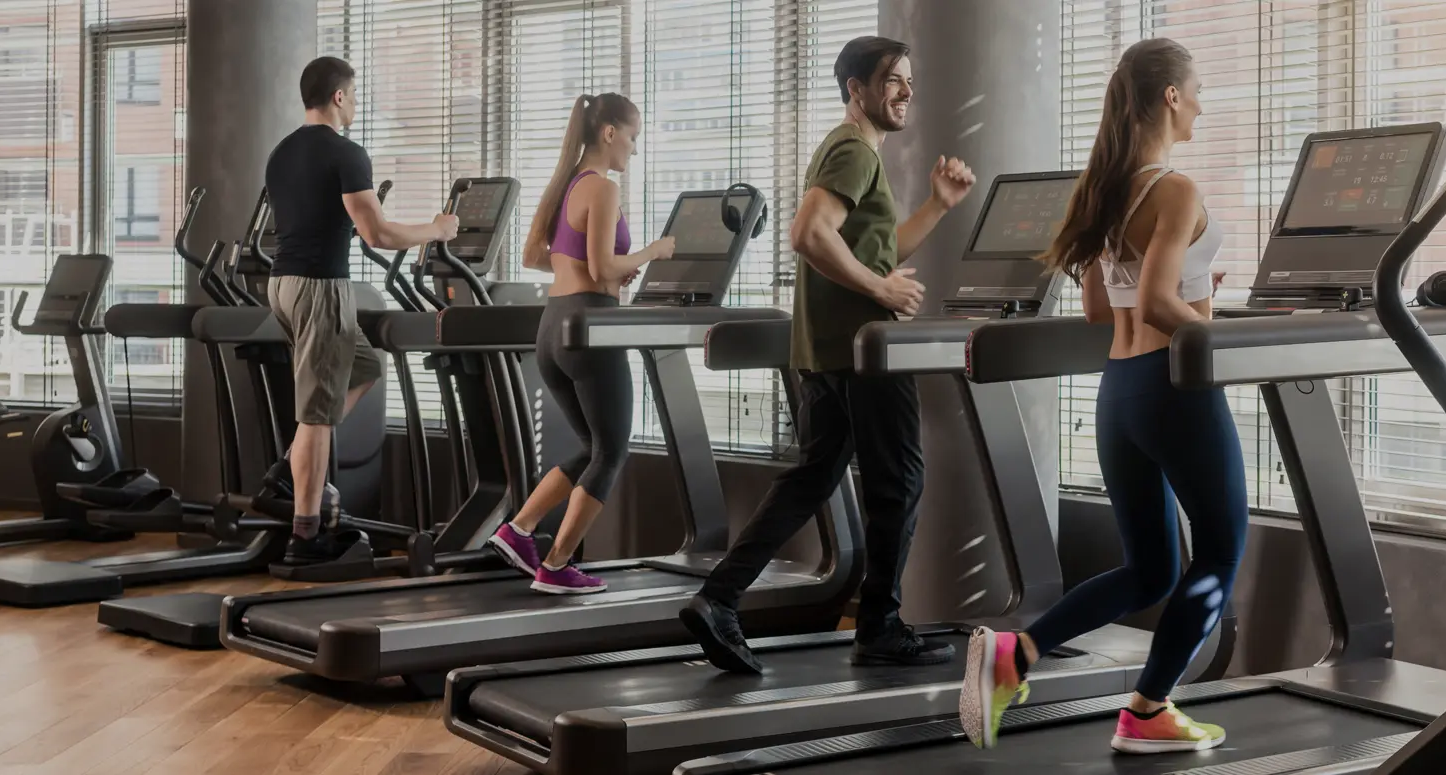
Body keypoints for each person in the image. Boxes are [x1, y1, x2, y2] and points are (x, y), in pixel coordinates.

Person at [960, 38, 1244, 755]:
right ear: (1172, 96)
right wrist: (1227, 337)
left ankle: (1016, 653)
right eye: (1198, 90)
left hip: (1119, 392)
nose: (1203, 105)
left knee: (1149, 568)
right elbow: (1154, 301)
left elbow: (1099, 307)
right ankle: (1148, 709)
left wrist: (1197, 296)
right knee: (1218, 554)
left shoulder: (1106, 188)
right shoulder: (1174, 189)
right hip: (1173, 389)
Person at [675, 36, 976, 672]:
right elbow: (809, 234)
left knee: (812, 478)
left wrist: (936, 208)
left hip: (828, 353)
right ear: (856, 89)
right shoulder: (852, 149)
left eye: (908, 80)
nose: (905, 91)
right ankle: (880, 625)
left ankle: (719, 598)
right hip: (865, 354)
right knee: (900, 483)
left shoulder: (852, 153)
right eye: (892, 79)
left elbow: (874, 247)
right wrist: (879, 289)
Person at [264, 56, 457, 564]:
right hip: (320, 287)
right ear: (340, 97)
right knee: (317, 413)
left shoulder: (281, 153)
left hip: (281, 284)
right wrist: (436, 230)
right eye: (355, 94)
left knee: (364, 366)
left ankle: (290, 469)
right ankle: (306, 537)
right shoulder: (347, 153)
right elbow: (379, 232)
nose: (356, 104)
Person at [484, 93, 676, 594]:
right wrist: (651, 252)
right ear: (609, 133)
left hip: (553, 327)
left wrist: (601, 274)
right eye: (632, 136)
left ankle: (518, 528)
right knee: (612, 452)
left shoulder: (565, 184)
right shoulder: (604, 189)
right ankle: (557, 564)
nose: (633, 149)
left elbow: (535, 255)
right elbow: (601, 268)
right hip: (591, 329)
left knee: (593, 446)